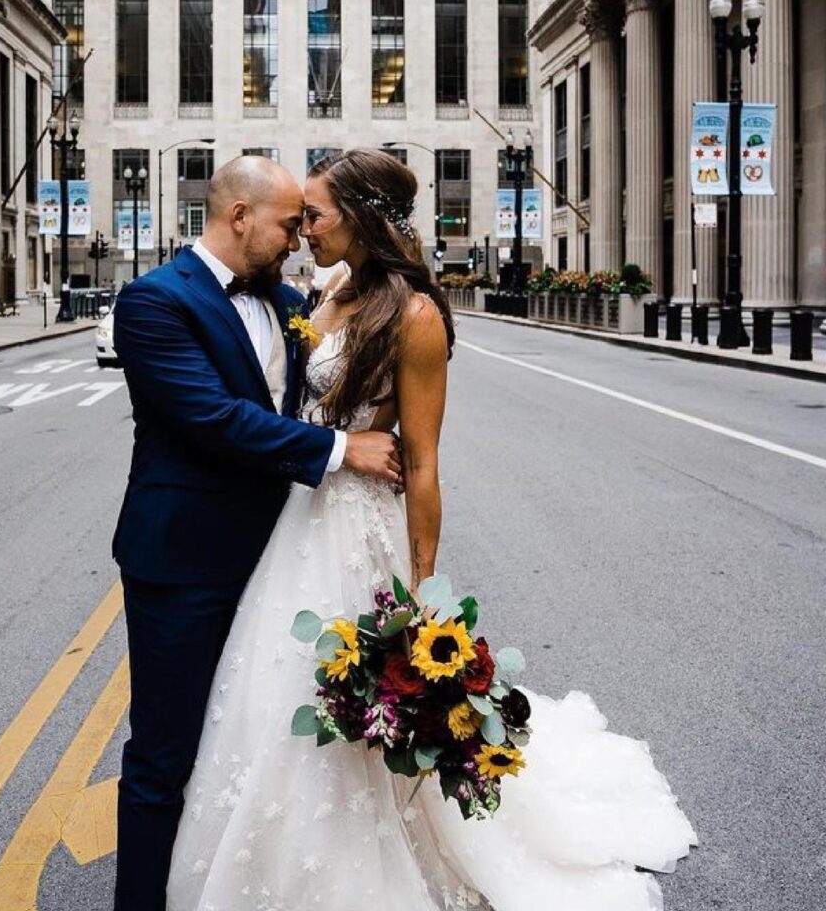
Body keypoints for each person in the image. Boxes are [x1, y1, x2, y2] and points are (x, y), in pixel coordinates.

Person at [167, 149, 696, 911]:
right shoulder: (333, 290)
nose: (303, 228)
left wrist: (422, 591)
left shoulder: (413, 316)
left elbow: (422, 465)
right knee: (272, 687)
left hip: (356, 530)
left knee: (354, 696)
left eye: (315, 214)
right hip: (301, 515)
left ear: (360, 217)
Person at [111, 155, 404, 911]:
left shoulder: (286, 300)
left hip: (278, 556)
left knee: (246, 744)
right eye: (286, 223)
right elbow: (212, 417)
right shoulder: (152, 303)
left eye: (309, 221)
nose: (299, 238)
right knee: (164, 754)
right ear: (240, 216)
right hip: (184, 561)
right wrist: (343, 451)